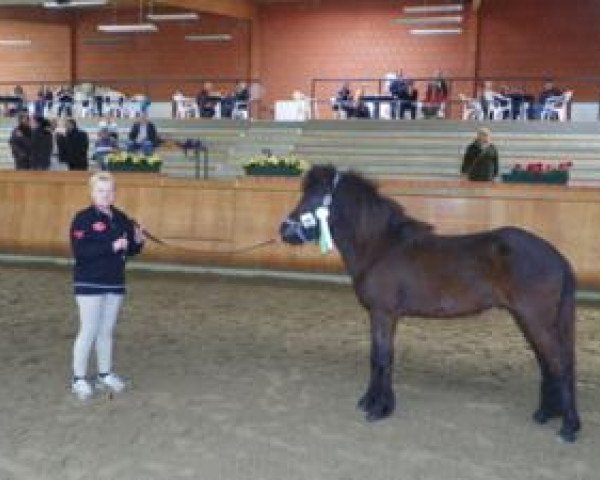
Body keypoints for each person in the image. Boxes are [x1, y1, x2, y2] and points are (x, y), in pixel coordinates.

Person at [69, 172, 145, 400]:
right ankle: (78, 378)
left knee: (106, 332)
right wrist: (111, 246)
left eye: (110, 191)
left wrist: (138, 242)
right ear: (92, 193)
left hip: (115, 281)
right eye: (101, 190)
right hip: (89, 281)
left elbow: (129, 249)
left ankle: (105, 373)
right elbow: (81, 251)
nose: (106, 195)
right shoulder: (82, 218)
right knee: (89, 330)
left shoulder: (122, 218)